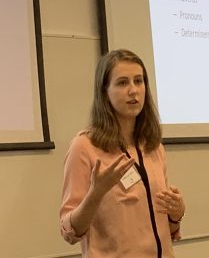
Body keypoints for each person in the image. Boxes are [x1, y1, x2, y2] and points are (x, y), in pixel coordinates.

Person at [60, 49, 185, 258]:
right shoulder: (84, 147)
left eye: (139, 81)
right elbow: (69, 232)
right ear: (104, 91)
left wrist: (176, 213)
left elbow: (166, 230)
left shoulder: (153, 146)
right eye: (122, 83)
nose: (133, 90)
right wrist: (95, 194)